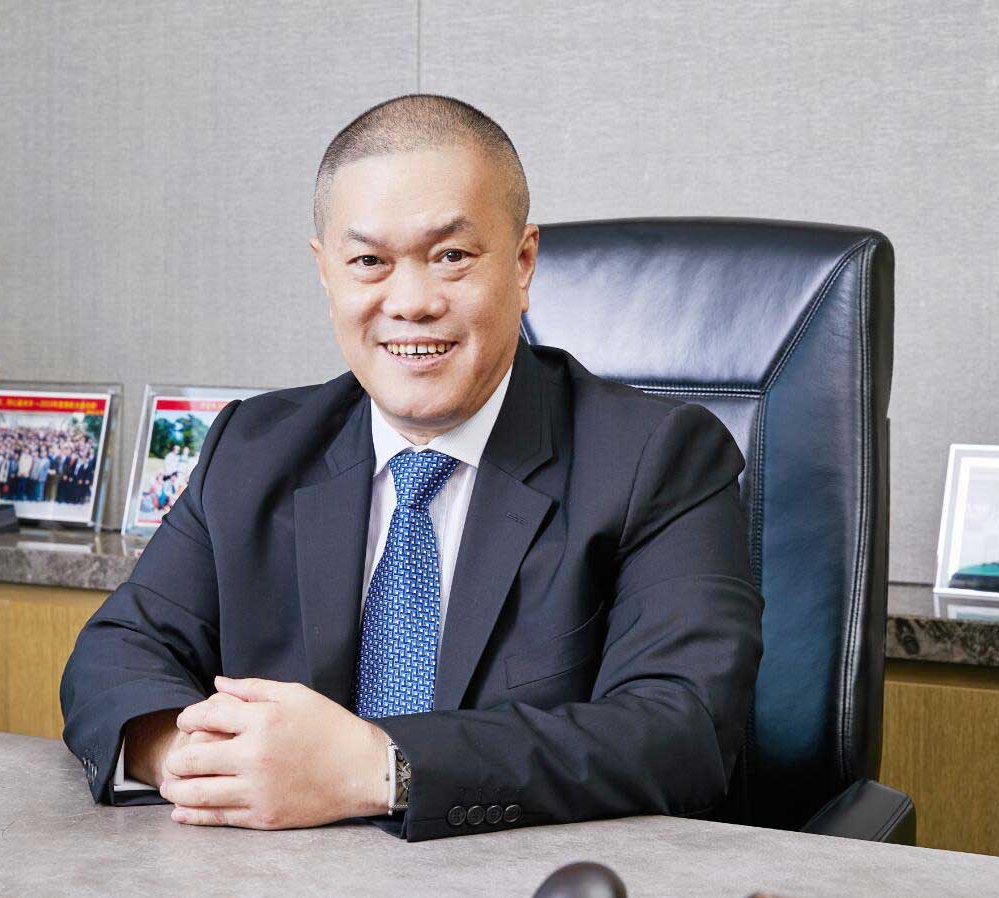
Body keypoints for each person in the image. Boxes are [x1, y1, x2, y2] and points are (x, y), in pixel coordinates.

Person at [60, 94, 763, 842]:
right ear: (325, 272)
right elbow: (115, 655)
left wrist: (382, 768)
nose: (411, 303)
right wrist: (192, 760)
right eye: (369, 262)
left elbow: (682, 728)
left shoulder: (658, 457)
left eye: (451, 257)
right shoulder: (253, 448)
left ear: (522, 262)